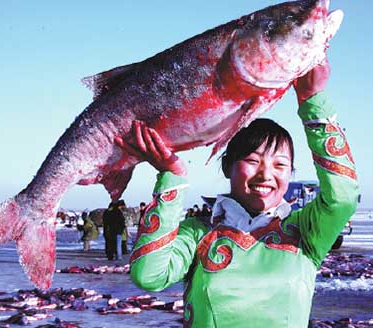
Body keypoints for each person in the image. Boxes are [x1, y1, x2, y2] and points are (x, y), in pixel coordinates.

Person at [117, 61, 358, 327]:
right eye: (253, 161)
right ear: (227, 166)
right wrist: (171, 176)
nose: (266, 175)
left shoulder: (304, 232)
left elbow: (342, 198)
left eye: (280, 165)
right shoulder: (200, 234)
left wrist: (312, 101)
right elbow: (149, 275)